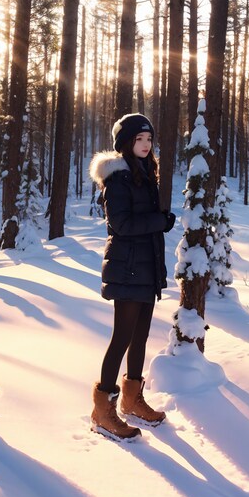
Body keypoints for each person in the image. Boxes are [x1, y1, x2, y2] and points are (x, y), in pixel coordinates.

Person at [87, 113, 176, 441]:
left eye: (149, 139)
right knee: (122, 338)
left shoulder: (145, 173)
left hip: (146, 268)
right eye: (139, 139)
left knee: (140, 337)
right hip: (127, 269)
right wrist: (160, 221)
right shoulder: (117, 179)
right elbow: (121, 225)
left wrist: (158, 223)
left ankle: (132, 400)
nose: (146, 144)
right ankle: (102, 411)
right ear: (126, 142)